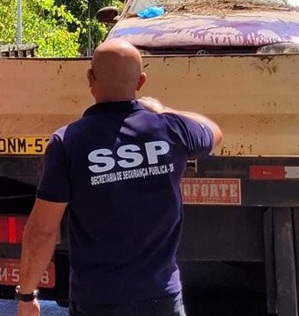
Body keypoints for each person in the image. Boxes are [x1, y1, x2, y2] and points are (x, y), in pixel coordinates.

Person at [16, 38, 223, 316]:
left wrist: (27, 295)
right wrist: (165, 111)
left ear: (90, 79)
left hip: (97, 299)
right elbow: (213, 131)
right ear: (141, 82)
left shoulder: (68, 142)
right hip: (160, 296)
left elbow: (42, 230)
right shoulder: (171, 129)